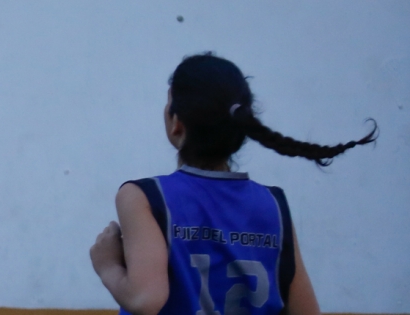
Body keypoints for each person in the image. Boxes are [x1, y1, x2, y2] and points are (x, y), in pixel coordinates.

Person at [90, 53, 376, 315]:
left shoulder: (144, 197)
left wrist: (107, 265)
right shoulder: (274, 204)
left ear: (177, 123)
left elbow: (145, 299)